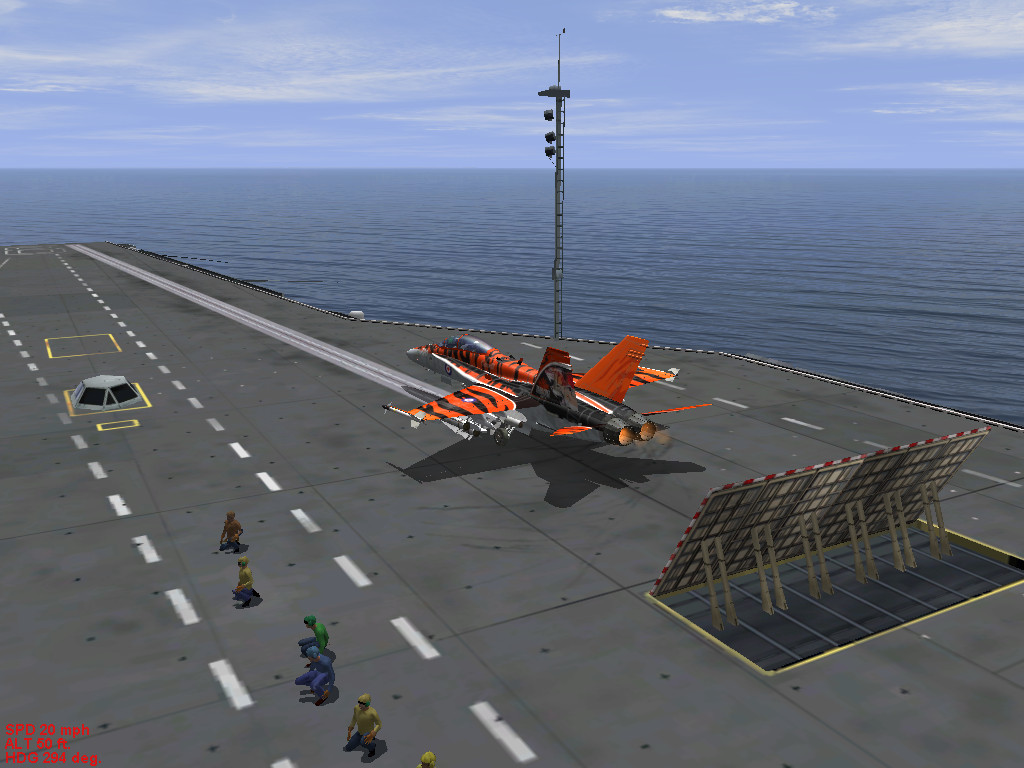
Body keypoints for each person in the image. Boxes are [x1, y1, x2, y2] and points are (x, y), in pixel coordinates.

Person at [345, 693, 382, 757]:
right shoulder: (356, 708)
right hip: (360, 732)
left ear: (367, 704)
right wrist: (350, 728)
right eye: (359, 702)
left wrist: (373, 733)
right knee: (348, 748)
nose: (359, 705)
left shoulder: (372, 712)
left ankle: (372, 747)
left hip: (368, 732)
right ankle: (362, 740)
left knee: (363, 742)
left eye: (362, 703)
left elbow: (379, 724)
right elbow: (354, 718)